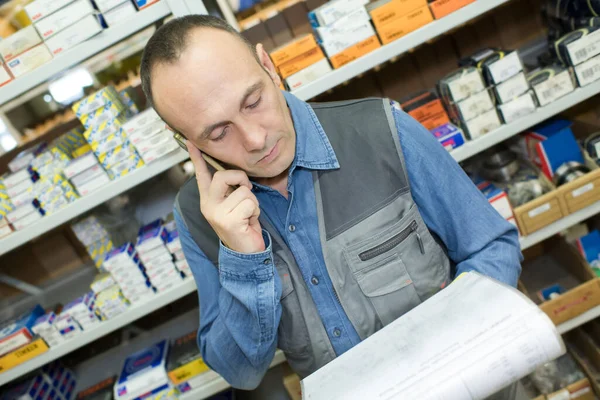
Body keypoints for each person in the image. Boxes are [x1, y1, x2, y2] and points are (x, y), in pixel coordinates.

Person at [140, 14, 523, 396]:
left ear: (270, 67)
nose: (255, 139)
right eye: (219, 132)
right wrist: (244, 262)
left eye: (253, 101)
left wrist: (452, 360)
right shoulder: (196, 217)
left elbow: (490, 245)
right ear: (187, 143)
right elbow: (240, 372)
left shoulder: (382, 130)